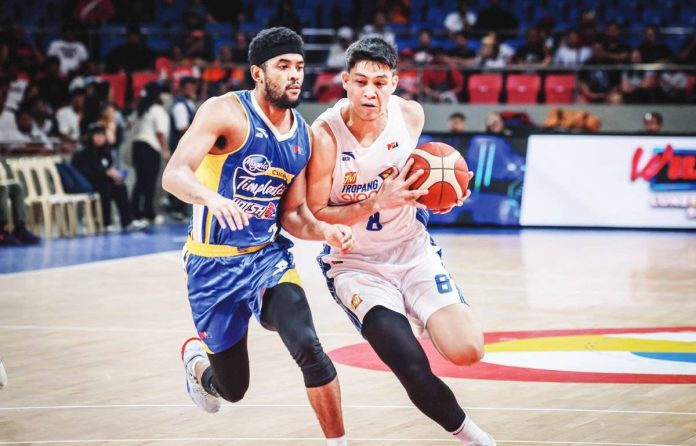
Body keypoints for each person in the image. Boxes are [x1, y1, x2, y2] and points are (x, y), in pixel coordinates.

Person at [161, 27, 352, 446]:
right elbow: (173, 174)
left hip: (267, 259)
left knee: (308, 345)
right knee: (233, 390)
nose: (294, 75)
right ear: (258, 73)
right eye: (283, 66)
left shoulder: (302, 135)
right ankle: (197, 364)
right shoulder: (224, 111)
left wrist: (324, 230)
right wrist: (211, 199)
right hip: (211, 265)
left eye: (299, 67)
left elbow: (295, 213)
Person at [307, 36, 496, 445]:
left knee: (468, 351)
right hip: (355, 265)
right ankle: (478, 439)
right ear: (344, 81)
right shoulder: (324, 136)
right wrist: (376, 202)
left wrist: (439, 196)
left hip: (412, 252)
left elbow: (422, 178)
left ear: (394, 82)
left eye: (379, 81)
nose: (369, 92)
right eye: (360, 82)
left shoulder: (410, 116)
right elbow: (316, 213)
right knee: (410, 364)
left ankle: (419, 311)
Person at [72, 123, 132, 231]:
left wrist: (114, 175)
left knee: (121, 188)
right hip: (87, 183)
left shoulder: (105, 151)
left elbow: (107, 165)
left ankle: (127, 222)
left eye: (102, 136)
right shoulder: (83, 152)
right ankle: (106, 223)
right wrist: (105, 173)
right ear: (91, 136)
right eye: (97, 135)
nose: (100, 138)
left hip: (104, 181)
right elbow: (85, 171)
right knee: (105, 189)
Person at [130, 82, 170, 226]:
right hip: (150, 149)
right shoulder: (157, 110)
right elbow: (160, 133)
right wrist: (165, 151)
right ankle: (148, 214)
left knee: (140, 182)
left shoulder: (141, 109)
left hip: (137, 148)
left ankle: (135, 213)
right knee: (149, 182)